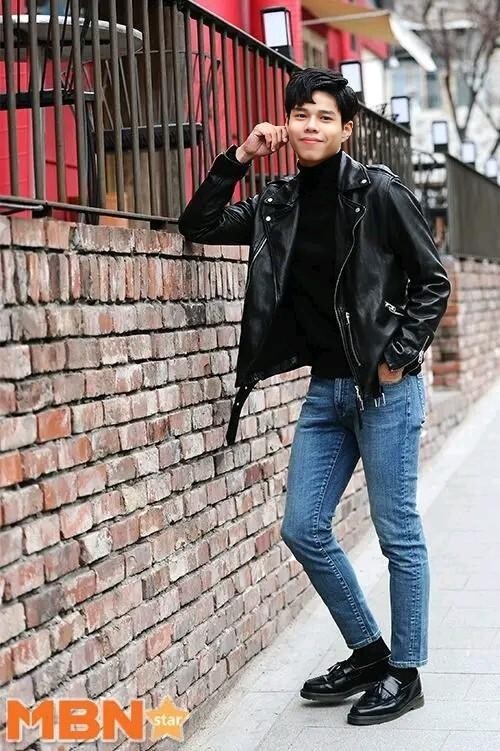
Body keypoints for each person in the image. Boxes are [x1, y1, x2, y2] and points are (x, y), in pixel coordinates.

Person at [178, 67, 451, 726]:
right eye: (301, 113)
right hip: (326, 393)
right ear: (288, 122)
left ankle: (406, 670)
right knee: (302, 527)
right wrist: (239, 156)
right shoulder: (277, 202)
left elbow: (432, 281)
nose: (310, 125)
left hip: (384, 393)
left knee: (397, 532)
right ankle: (369, 652)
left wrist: (395, 359)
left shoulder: (379, 192)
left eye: (325, 116)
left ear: (346, 129)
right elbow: (199, 223)